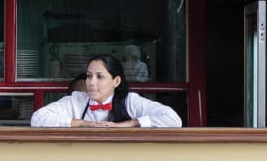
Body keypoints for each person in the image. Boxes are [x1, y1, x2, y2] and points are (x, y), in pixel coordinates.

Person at [30, 54, 182, 128]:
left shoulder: (130, 101)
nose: (91, 83)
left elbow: (173, 119)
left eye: (99, 77)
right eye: (89, 76)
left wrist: (131, 123)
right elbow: (37, 118)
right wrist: (84, 124)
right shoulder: (76, 100)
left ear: (116, 81)